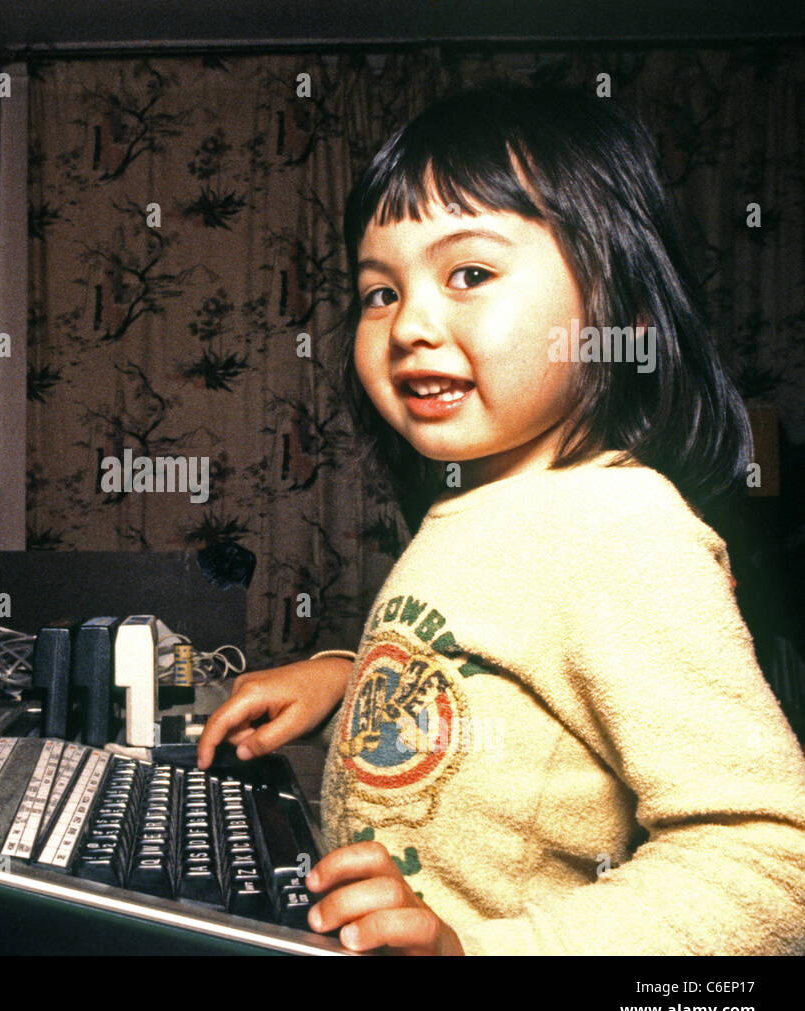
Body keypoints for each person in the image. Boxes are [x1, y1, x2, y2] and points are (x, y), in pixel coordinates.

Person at [196, 82, 805, 955]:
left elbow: (771, 866)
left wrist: (477, 951)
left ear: (618, 312)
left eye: (470, 274)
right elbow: (487, 677)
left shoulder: (622, 526)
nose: (410, 323)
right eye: (379, 292)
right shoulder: (479, 505)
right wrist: (344, 676)